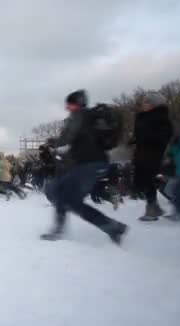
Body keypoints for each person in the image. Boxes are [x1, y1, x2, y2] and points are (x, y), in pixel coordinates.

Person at [42, 90, 127, 244]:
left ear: (77, 103)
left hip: (86, 164)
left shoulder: (79, 116)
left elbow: (67, 137)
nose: (68, 107)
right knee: (72, 201)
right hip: (98, 163)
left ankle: (58, 230)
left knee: (61, 193)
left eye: (70, 104)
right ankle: (113, 227)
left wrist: (53, 142)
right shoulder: (91, 118)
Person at [132, 92, 173, 221]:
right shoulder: (143, 117)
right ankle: (154, 207)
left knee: (147, 179)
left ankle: (152, 209)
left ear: (155, 104)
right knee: (142, 181)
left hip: (152, 154)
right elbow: (140, 133)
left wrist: (145, 137)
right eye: (144, 102)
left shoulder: (161, 118)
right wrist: (134, 139)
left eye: (147, 102)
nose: (144, 104)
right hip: (142, 153)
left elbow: (165, 135)